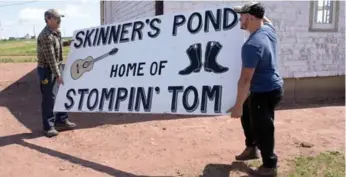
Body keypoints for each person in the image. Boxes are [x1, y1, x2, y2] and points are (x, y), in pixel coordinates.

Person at [227, 2, 284, 176]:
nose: (239, 20)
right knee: (247, 113)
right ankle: (251, 148)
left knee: (263, 128)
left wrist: (236, 106)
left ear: (250, 18)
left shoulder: (252, 45)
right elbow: (268, 20)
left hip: (265, 91)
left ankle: (269, 166)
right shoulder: (268, 30)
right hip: (267, 88)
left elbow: (245, 80)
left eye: (241, 16)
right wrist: (258, 11)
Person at [36, 9, 77, 137]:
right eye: (57, 18)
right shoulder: (45, 36)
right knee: (49, 98)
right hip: (47, 70)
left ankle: (61, 120)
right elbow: (51, 59)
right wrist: (58, 75)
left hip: (57, 67)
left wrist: (73, 42)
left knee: (62, 93)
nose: (60, 21)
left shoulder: (55, 33)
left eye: (60, 18)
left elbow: (58, 47)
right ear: (49, 19)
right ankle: (48, 127)